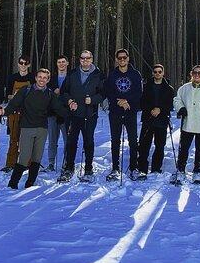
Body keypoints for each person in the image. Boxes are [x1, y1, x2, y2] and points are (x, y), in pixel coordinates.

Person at [0, 68, 66, 189]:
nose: (42, 80)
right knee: (24, 158)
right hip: (27, 128)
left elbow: (59, 109)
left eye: (45, 78)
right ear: (36, 78)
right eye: (40, 77)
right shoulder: (26, 90)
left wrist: (72, 113)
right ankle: (12, 184)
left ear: (48, 80)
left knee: (37, 158)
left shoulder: (50, 94)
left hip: (42, 129)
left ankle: (30, 184)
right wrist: (3, 111)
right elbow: (14, 104)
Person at [57, 51, 104, 182]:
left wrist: (93, 100)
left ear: (92, 59)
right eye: (82, 58)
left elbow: (103, 93)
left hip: (90, 114)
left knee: (88, 141)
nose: (85, 60)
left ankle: (88, 168)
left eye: (87, 58)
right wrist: (70, 101)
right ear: (80, 60)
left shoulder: (98, 75)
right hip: (74, 114)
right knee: (71, 141)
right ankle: (69, 167)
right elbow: (63, 92)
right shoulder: (72, 73)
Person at [104, 49, 143, 181]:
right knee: (115, 141)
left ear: (128, 58)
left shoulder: (135, 74)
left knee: (133, 140)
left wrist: (127, 101)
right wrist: (120, 102)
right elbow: (108, 92)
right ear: (116, 59)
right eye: (119, 58)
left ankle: (134, 168)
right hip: (115, 111)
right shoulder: (112, 74)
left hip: (130, 111)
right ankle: (115, 168)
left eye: (124, 57)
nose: (122, 60)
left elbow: (138, 92)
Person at [137, 64, 174, 177]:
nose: (157, 74)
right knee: (144, 145)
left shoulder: (169, 89)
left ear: (163, 73)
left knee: (160, 145)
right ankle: (142, 168)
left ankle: (156, 168)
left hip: (162, 120)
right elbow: (142, 103)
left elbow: (170, 105)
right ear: (153, 73)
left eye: (159, 72)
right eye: (155, 72)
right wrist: (151, 110)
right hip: (148, 119)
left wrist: (160, 109)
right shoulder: (146, 86)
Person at [0, 55, 34, 173]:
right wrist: (14, 97)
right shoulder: (12, 77)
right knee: (13, 138)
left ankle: (27, 164)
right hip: (14, 112)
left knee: (27, 139)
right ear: (18, 64)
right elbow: (7, 95)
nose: (23, 65)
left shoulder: (32, 77)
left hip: (28, 112)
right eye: (21, 63)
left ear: (29, 65)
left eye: (26, 63)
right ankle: (10, 164)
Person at [44, 55, 69, 172]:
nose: (61, 64)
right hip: (52, 114)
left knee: (67, 140)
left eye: (63, 62)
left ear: (67, 63)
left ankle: (66, 162)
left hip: (66, 114)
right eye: (59, 62)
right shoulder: (51, 79)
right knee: (52, 140)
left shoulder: (71, 78)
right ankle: (51, 163)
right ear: (57, 64)